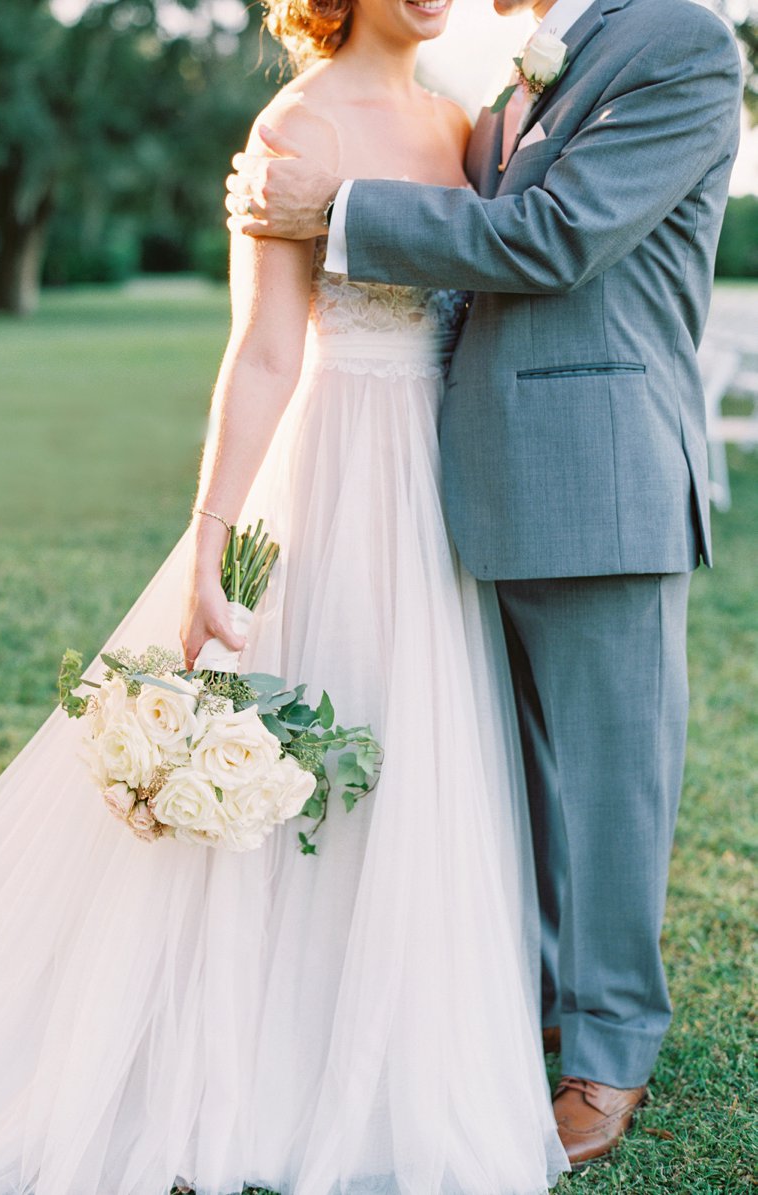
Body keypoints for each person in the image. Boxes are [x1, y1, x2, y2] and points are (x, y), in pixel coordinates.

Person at [0, 0, 571, 1192]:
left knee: (413, 749)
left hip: (435, 482)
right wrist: (212, 534)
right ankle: (270, 1033)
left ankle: (387, 1014)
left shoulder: (463, 119)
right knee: (311, 727)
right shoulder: (294, 122)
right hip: (334, 463)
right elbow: (265, 350)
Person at [225, 0, 743, 1171]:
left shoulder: (679, 39)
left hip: (604, 477)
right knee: (518, 782)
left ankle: (608, 1052)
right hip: (472, 478)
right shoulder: (511, 83)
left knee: (613, 781)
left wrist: (339, 211)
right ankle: (534, 1006)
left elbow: (558, 236)